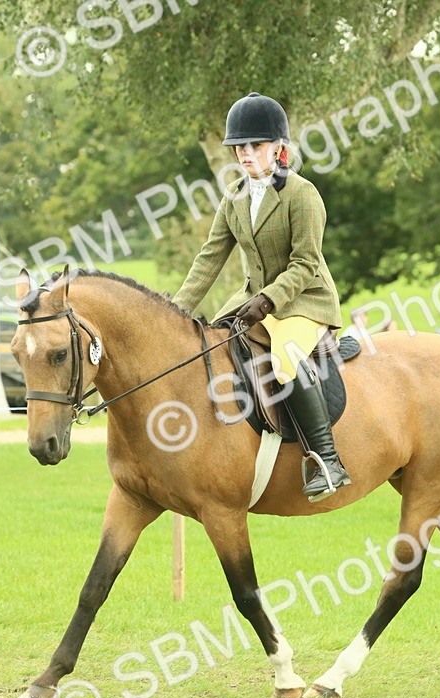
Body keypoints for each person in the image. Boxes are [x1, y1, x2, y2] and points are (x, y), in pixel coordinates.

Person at [171, 92, 350, 502]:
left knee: (285, 356)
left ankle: (327, 459)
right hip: (251, 298)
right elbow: (209, 257)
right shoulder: (234, 195)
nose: (245, 154)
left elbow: (305, 264)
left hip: (305, 300)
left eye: (254, 146)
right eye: (239, 146)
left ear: (279, 148)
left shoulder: (302, 194)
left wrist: (268, 300)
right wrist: (175, 310)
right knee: (212, 343)